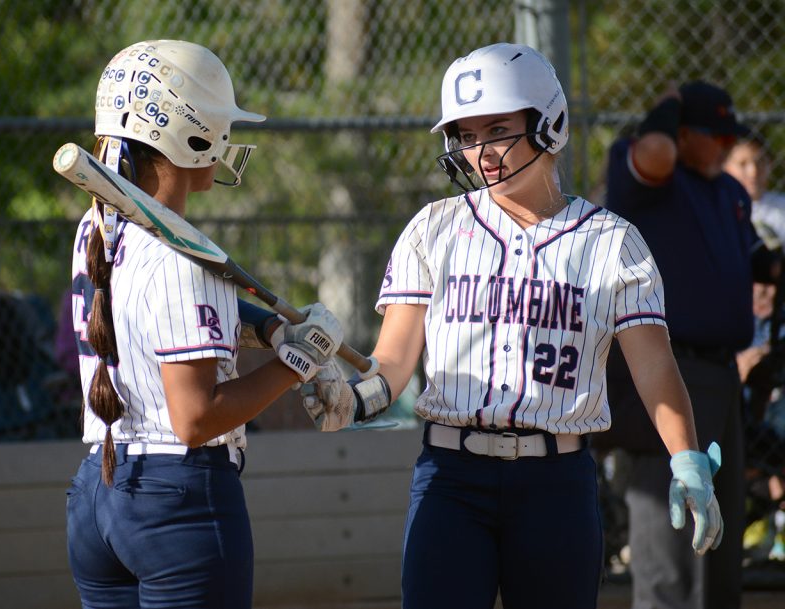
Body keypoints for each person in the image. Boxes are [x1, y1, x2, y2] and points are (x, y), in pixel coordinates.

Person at [299, 42, 722, 609]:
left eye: (498, 130)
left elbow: (653, 367)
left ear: (549, 124)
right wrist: (353, 399)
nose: (481, 153)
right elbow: (394, 361)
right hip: (451, 476)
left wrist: (686, 458)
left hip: (557, 481)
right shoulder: (433, 228)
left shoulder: (613, 242)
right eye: (466, 136)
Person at [64, 40, 344, 609]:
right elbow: (195, 419)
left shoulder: (95, 230)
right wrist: (298, 364)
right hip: (179, 503)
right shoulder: (185, 259)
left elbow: (167, 319)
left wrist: (271, 329)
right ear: (188, 135)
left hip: (98, 492)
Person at [602, 81, 774, 609]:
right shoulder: (649, 178)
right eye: (714, 134)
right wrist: (669, 104)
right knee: (671, 549)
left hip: (723, 375)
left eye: (729, 136)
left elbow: (759, 263)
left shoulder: (728, 193)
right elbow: (654, 151)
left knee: (720, 547)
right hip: (666, 370)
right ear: (680, 134)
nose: (726, 145)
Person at [724, 129, 785, 245]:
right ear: (725, 166)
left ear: (770, 164)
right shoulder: (720, 209)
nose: (753, 172)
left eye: (760, 161)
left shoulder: (781, 206)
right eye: (742, 164)